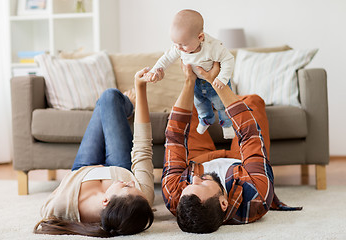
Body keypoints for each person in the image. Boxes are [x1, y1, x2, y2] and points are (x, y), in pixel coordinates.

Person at [161, 62, 301, 233]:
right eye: (202, 184)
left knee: (188, 108)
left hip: (198, 160)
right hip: (240, 161)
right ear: (223, 203)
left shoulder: (175, 196)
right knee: (253, 101)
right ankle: (219, 103)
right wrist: (216, 81)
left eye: (190, 184)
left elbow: (175, 136)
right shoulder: (257, 195)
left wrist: (189, 81)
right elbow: (250, 134)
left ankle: (211, 104)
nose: (196, 179)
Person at [34, 67, 165, 237]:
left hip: (82, 169)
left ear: (105, 201)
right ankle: (128, 106)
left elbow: (51, 201)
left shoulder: (58, 207)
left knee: (106, 99)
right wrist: (140, 88)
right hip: (120, 165)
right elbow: (143, 146)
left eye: (126, 185)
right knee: (110, 97)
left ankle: (118, 108)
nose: (133, 183)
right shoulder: (141, 196)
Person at [145, 9, 235, 139]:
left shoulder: (212, 47)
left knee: (221, 105)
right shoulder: (179, 46)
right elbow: (166, 58)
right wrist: (154, 70)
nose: (179, 48)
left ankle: (227, 125)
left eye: (183, 45)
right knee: (200, 104)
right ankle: (205, 120)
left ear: (200, 37)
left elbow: (228, 59)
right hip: (197, 83)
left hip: (216, 82)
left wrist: (222, 78)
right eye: (176, 44)